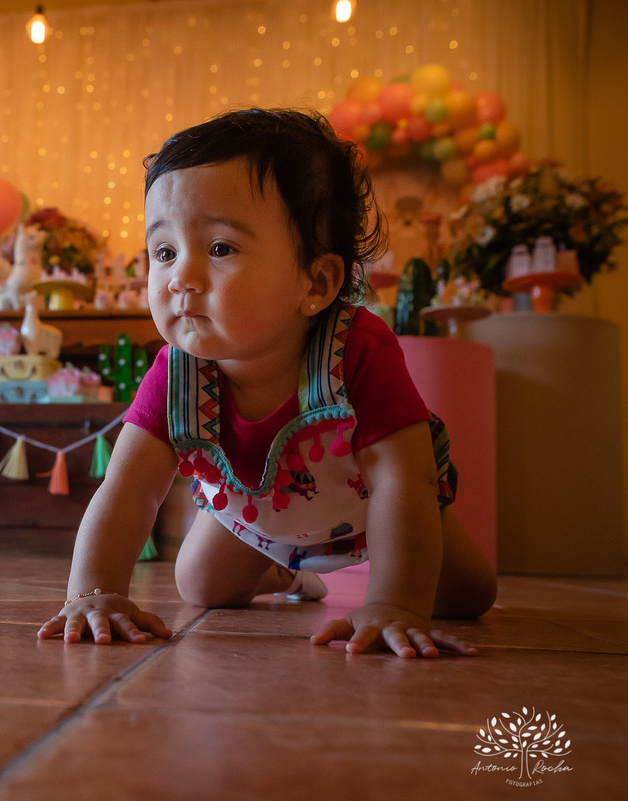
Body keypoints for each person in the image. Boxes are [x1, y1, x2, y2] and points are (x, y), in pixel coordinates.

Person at [38, 109, 497, 658]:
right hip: (255, 518)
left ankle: (385, 581)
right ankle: (287, 577)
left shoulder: (355, 350)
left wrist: (396, 603)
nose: (180, 276)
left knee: (467, 595)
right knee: (202, 586)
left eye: (220, 248)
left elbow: (403, 482)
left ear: (317, 281)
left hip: (378, 512)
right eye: (164, 252)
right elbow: (128, 488)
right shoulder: (176, 371)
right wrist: (95, 593)